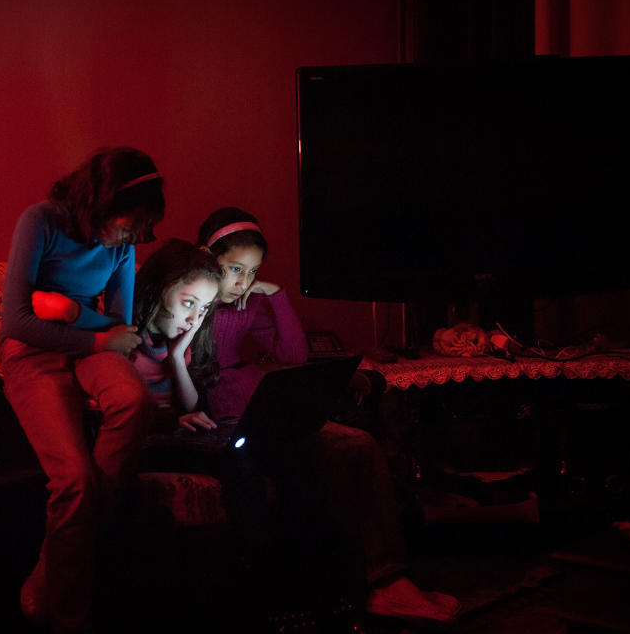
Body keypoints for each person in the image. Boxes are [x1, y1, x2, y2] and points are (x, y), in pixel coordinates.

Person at [196, 206, 462, 625]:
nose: (242, 281)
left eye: (252, 271)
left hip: (258, 405)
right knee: (304, 462)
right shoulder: (188, 299)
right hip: (223, 418)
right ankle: (330, 590)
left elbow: (293, 355)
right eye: (233, 269)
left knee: (359, 443)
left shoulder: (248, 304)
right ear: (206, 258)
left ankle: (387, 582)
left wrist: (275, 293)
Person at [0, 147, 164, 634]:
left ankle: (51, 568)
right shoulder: (41, 221)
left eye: (141, 230)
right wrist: (92, 332)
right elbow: (17, 319)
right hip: (31, 351)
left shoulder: (121, 246)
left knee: (135, 402)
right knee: (74, 480)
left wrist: (72, 313)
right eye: (129, 226)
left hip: (88, 344)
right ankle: (68, 618)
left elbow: (120, 323)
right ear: (100, 201)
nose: (134, 239)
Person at [129, 238, 222, 432]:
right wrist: (169, 424)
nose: (194, 319)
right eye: (189, 303)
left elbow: (197, 411)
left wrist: (177, 359)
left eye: (204, 308)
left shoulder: (182, 345)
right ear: (158, 288)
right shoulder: (124, 339)